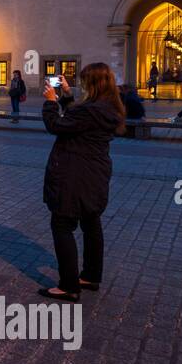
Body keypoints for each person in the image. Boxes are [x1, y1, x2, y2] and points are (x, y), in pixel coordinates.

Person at [39, 64, 126, 302]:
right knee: (91, 222)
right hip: (96, 173)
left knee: (62, 224)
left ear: (93, 84)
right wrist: (67, 96)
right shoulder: (108, 108)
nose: (83, 85)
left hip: (73, 174)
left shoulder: (90, 111)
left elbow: (56, 125)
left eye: (85, 81)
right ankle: (90, 276)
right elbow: (78, 122)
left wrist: (50, 102)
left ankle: (68, 285)